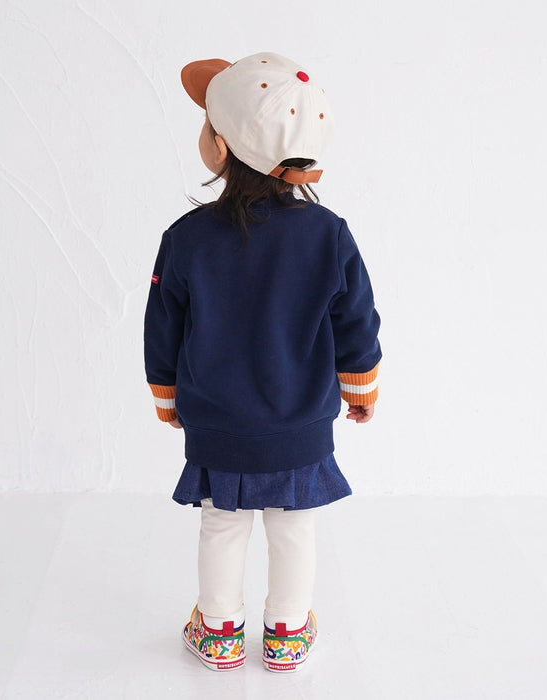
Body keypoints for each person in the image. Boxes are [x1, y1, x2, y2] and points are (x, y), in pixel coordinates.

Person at [144, 52, 381, 673]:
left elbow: (162, 326)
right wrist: (360, 388)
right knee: (293, 525)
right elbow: (356, 319)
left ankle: (219, 631)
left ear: (220, 148)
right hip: (299, 421)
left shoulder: (186, 238)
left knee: (222, 525)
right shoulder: (329, 234)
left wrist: (167, 398)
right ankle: (288, 631)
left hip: (217, 421)